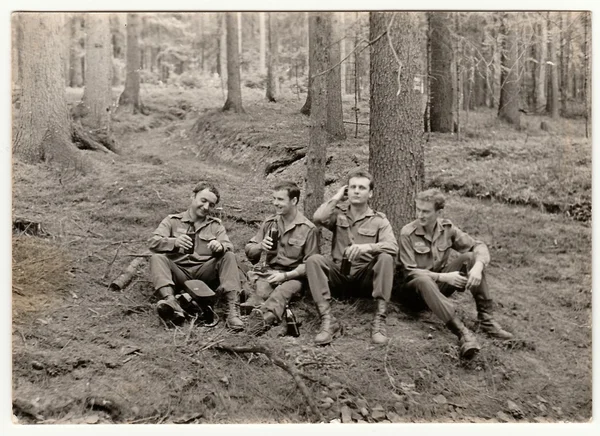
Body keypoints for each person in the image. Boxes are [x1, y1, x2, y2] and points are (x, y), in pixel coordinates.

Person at [398, 188, 513, 359]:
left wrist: (478, 267)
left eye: (426, 211)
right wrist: (444, 277)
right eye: (418, 209)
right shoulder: (408, 233)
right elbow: (409, 271)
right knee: (423, 278)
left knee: (471, 257)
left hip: (437, 288)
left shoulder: (447, 229)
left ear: (439, 212)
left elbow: (479, 246)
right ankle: (462, 332)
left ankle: (486, 319)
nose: (420, 215)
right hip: (413, 293)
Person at [306, 169, 398, 345]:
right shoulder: (339, 215)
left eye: (362, 188)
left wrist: (368, 247)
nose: (356, 191)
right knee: (314, 260)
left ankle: (379, 320)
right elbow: (318, 218)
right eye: (352, 187)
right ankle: (328, 320)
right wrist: (338, 196)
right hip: (339, 277)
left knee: (386, 257)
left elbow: (393, 246)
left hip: (365, 280)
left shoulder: (379, 220)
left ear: (370, 193)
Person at [148, 181, 244, 331]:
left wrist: (220, 246)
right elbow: (153, 242)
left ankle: (232, 311)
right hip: (178, 272)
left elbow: (228, 245)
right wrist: (175, 242)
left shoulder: (215, 225)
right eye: (203, 200)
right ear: (193, 196)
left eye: (211, 205)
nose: (206, 207)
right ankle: (171, 302)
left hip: (204, 275)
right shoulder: (172, 221)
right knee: (157, 258)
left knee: (229, 255)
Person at [243, 182, 319, 335]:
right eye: (274, 198)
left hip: (293, 276)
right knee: (258, 288)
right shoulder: (270, 222)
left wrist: (285, 276)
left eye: (280, 199)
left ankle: (264, 319)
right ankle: (252, 308)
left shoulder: (308, 229)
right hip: (269, 272)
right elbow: (250, 251)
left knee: (283, 291)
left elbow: (310, 265)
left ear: (294, 201)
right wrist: (260, 247)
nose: (275, 203)